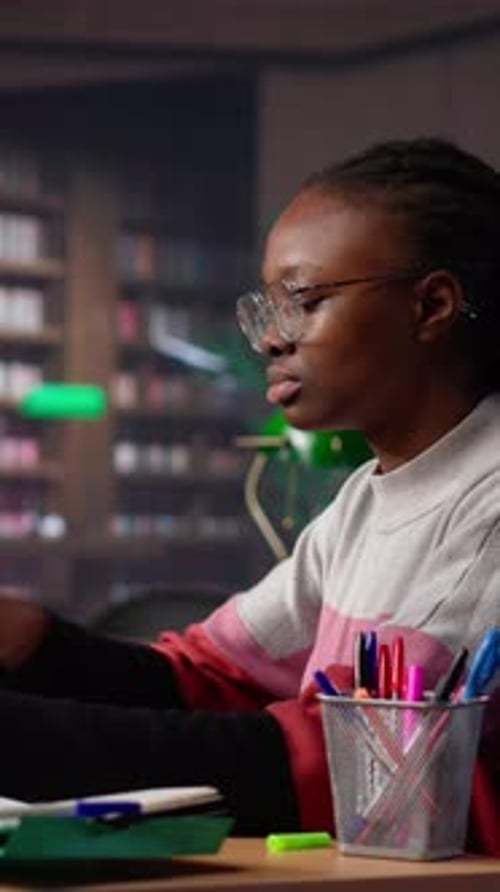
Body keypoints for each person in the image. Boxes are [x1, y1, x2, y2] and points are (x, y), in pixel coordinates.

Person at [0, 137, 499, 854]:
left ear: (432, 305)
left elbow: (364, 773)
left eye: (302, 301)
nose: (269, 342)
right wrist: (36, 644)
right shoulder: (365, 500)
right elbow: (211, 678)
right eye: (265, 309)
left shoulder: (487, 506)